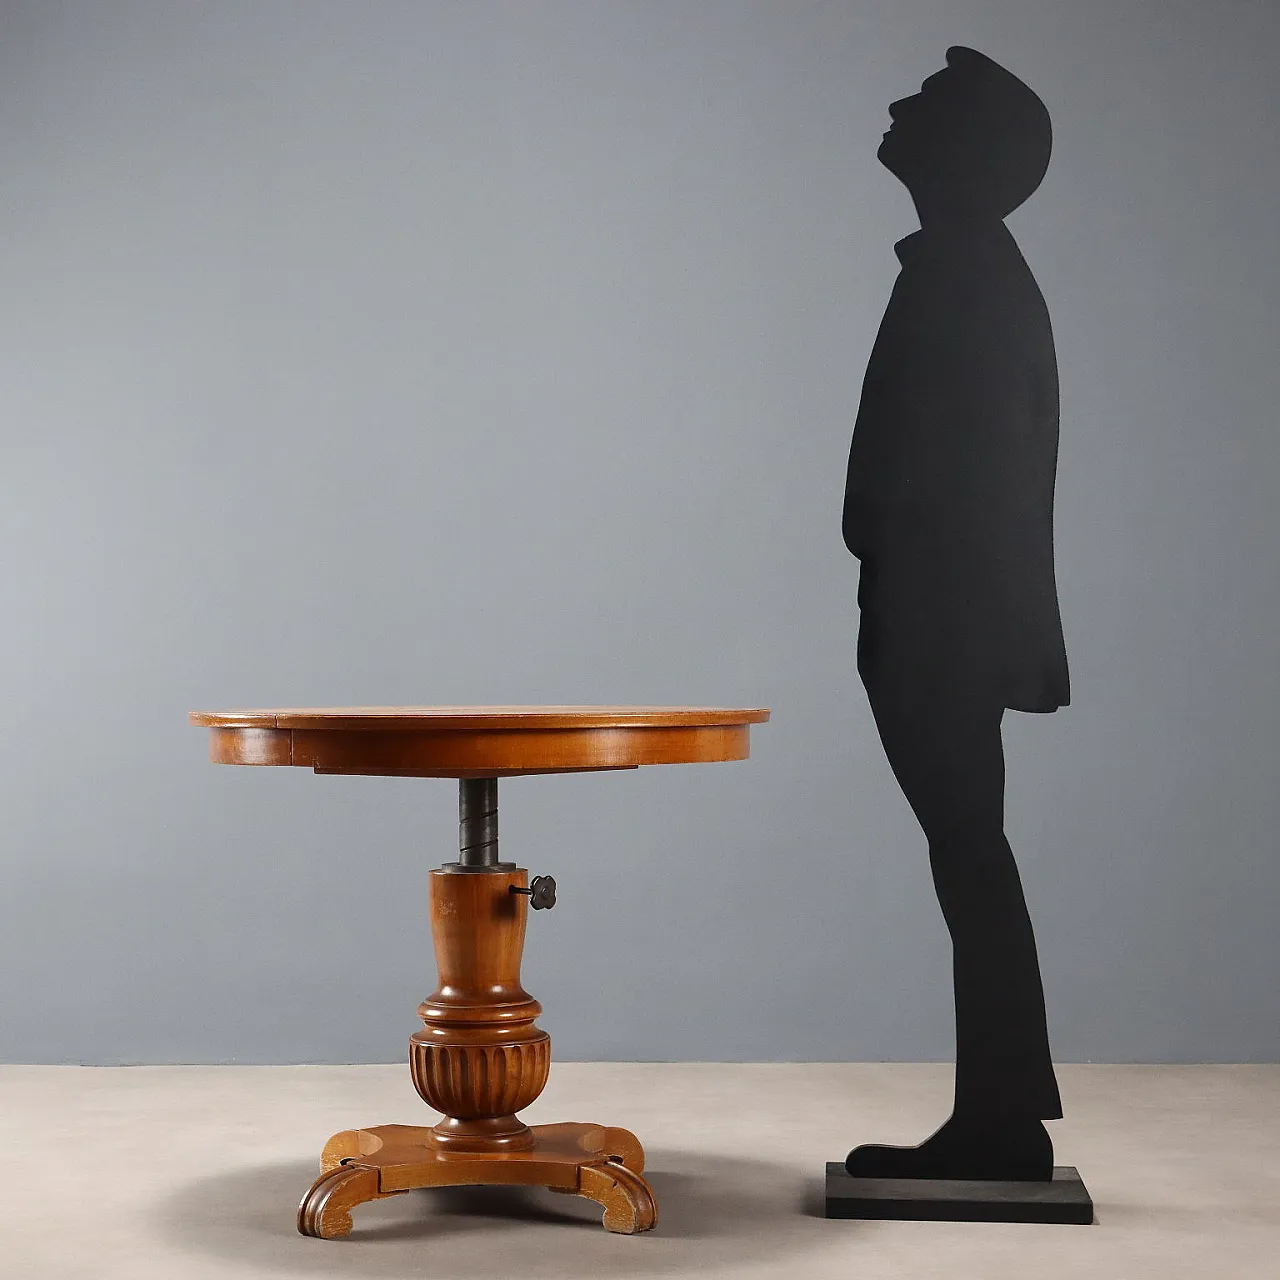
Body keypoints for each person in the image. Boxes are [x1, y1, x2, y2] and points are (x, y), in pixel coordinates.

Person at [842, 46, 1069, 1181]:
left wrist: (905, 583)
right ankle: (1002, 1110)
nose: (896, 106)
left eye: (925, 102)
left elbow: (973, 477)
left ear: (965, 151)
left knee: (969, 854)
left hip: (942, 619)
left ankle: (1001, 1118)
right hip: (936, 613)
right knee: (968, 854)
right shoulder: (967, 270)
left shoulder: (966, 278)